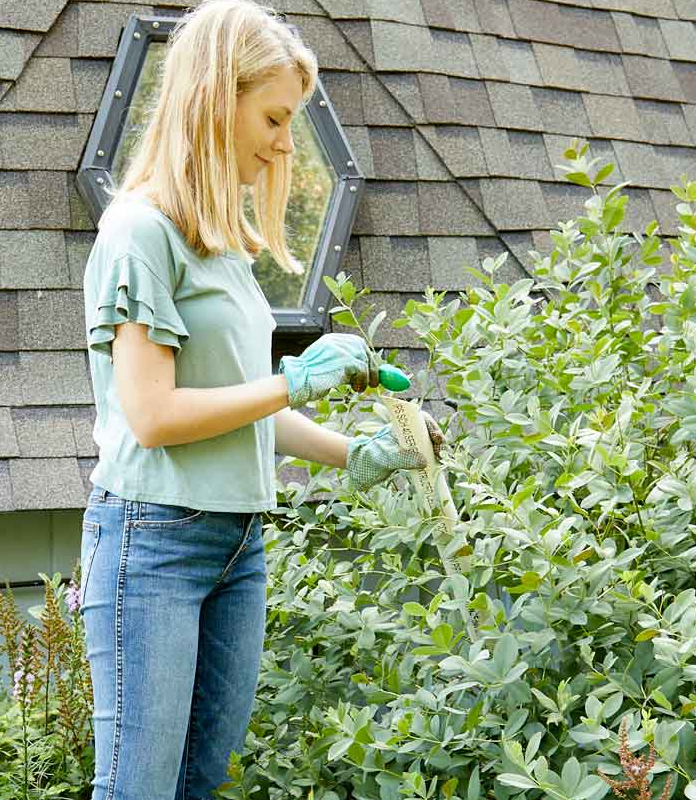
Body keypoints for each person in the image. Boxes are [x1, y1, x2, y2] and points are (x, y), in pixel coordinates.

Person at [77, 2, 444, 797]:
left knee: (198, 783)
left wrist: (361, 455)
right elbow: (155, 416)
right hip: (154, 542)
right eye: (275, 119)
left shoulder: (219, 242)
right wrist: (294, 376)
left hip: (238, 544)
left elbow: (244, 406)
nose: (284, 143)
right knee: (138, 789)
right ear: (217, 99)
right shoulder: (138, 232)